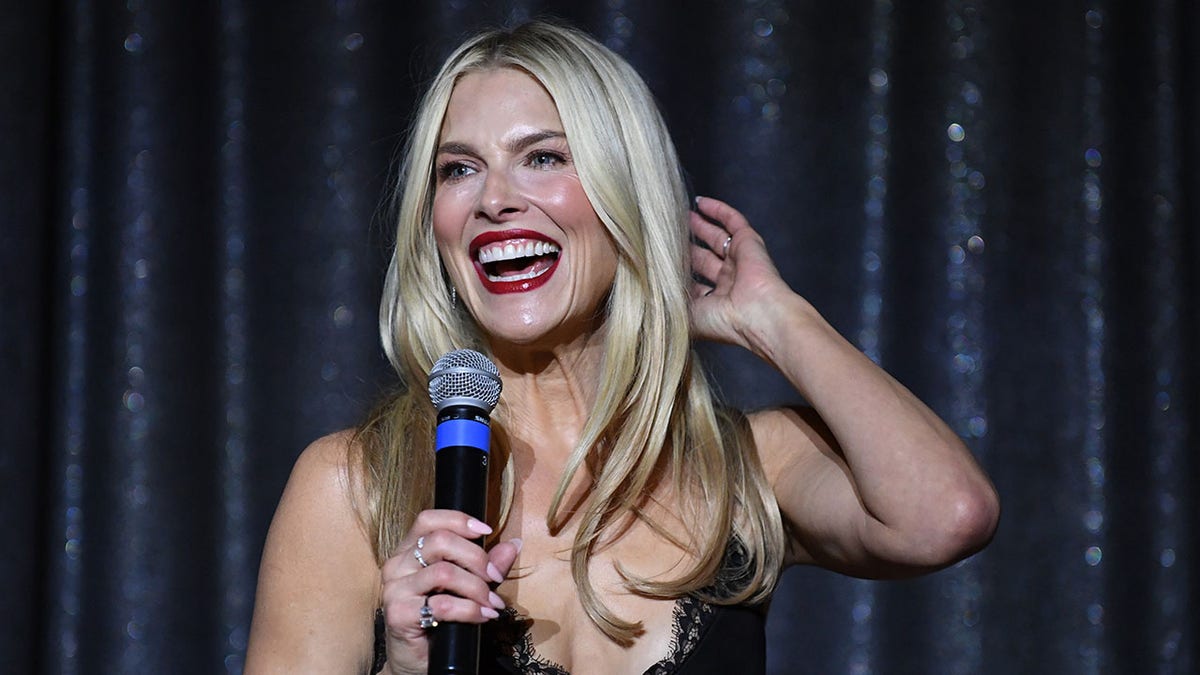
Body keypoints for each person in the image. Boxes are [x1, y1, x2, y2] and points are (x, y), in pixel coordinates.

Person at [244, 20, 999, 675]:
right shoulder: (355, 486)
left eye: (544, 157)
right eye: (460, 169)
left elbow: (949, 516)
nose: (494, 199)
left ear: (624, 191)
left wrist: (777, 319)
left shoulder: (744, 465)